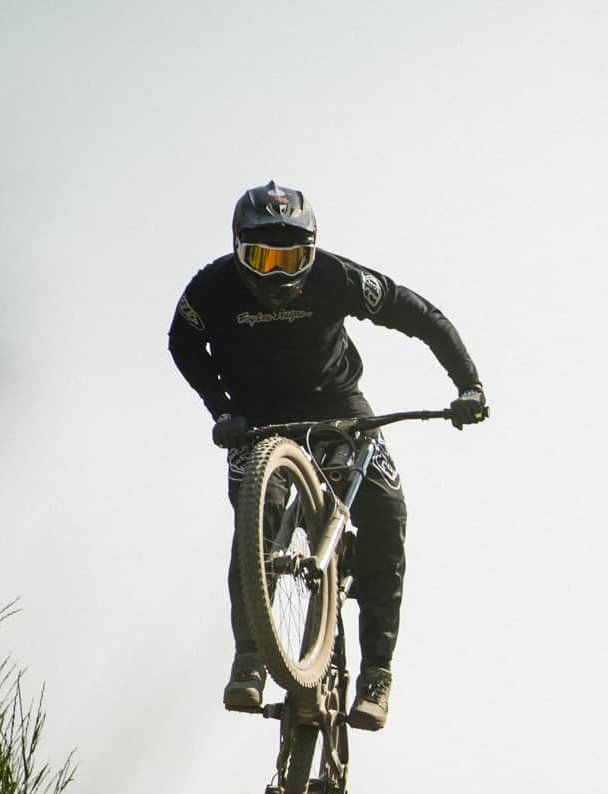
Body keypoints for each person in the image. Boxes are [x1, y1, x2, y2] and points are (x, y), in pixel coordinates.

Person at [168, 180, 488, 732]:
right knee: (256, 517)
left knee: (387, 512)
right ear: (237, 248)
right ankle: (250, 659)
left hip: (338, 409)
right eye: (260, 258)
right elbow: (182, 343)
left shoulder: (337, 278)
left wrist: (469, 385)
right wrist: (220, 409)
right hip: (255, 418)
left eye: (289, 258)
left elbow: (418, 314)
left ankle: (377, 675)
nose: (275, 274)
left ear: (312, 250)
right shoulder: (212, 288)